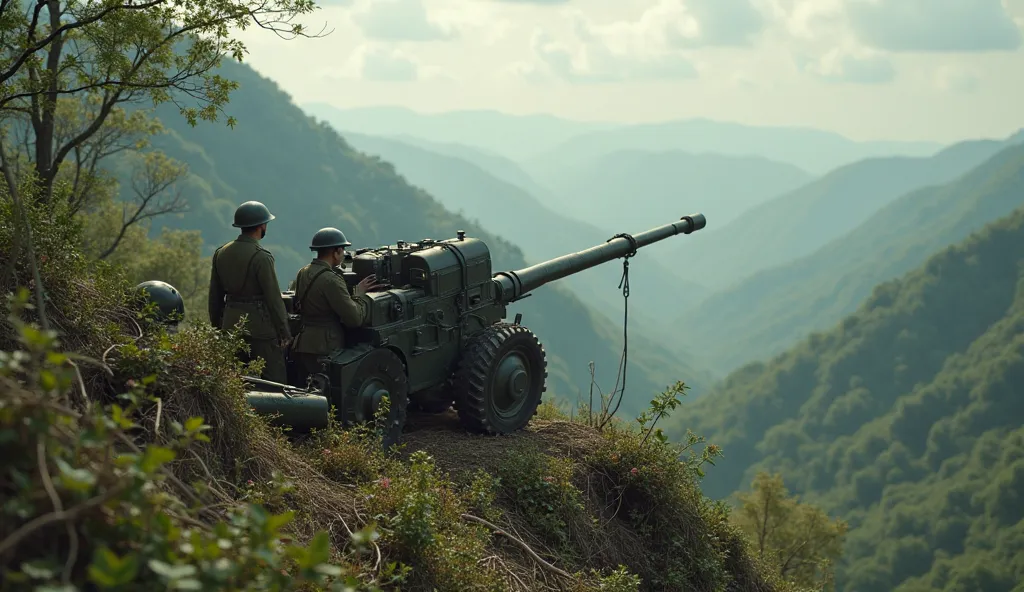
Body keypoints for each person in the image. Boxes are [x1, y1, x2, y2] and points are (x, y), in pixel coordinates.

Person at [207, 200, 291, 383]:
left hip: (230, 326)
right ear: (261, 226)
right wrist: (284, 333)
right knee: (275, 382)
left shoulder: (221, 253)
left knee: (231, 381)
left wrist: (218, 328)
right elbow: (274, 300)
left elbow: (214, 297)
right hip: (260, 329)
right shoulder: (262, 257)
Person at [291, 227, 385, 383]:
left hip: (304, 342)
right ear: (335, 252)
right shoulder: (332, 280)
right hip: (326, 347)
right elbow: (354, 318)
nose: (343, 255)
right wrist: (359, 295)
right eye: (342, 251)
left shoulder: (303, 272)